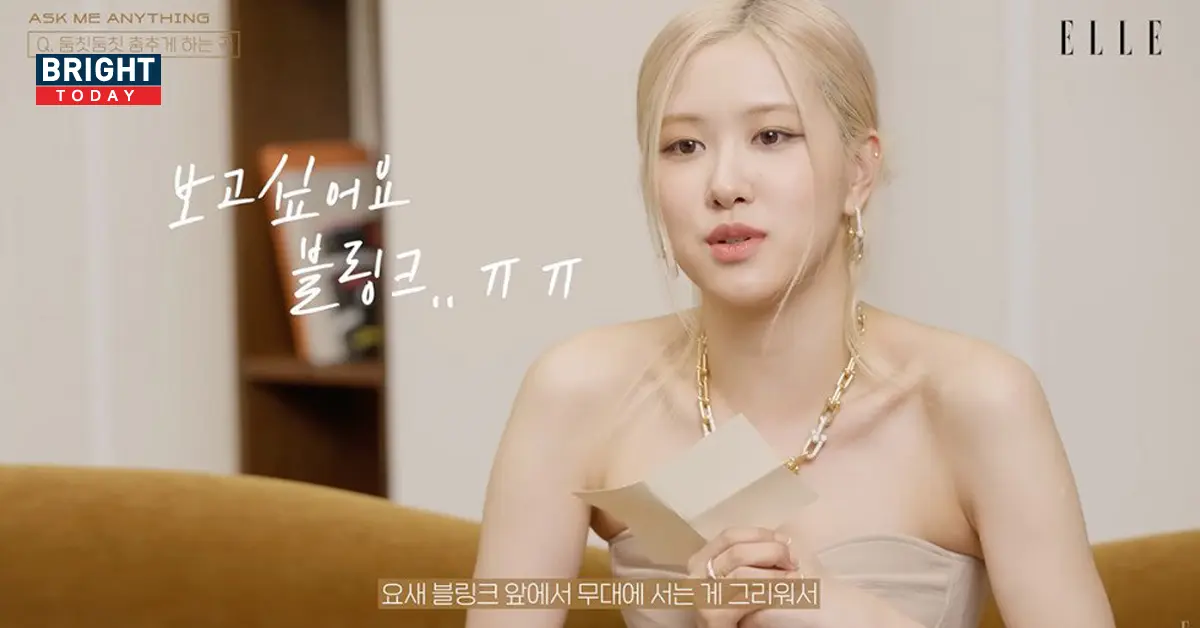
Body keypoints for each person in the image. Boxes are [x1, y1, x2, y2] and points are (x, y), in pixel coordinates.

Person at [467, 0, 1116, 626]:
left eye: (772, 136)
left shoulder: (977, 401)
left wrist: (848, 616)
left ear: (859, 172)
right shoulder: (578, 393)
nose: (725, 184)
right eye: (683, 146)